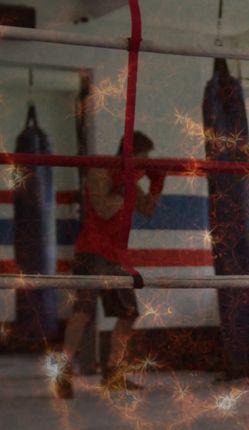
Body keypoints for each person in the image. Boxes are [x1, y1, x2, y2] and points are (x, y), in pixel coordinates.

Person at [50, 131, 165, 399]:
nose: (145, 163)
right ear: (131, 155)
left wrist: (157, 184)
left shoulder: (128, 180)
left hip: (116, 257)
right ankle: (64, 373)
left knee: (128, 314)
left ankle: (113, 372)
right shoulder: (100, 171)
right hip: (91, 254)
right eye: (143, 158)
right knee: (83, 312)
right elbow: (104, 208)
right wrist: (129, 182)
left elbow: (147, 209)